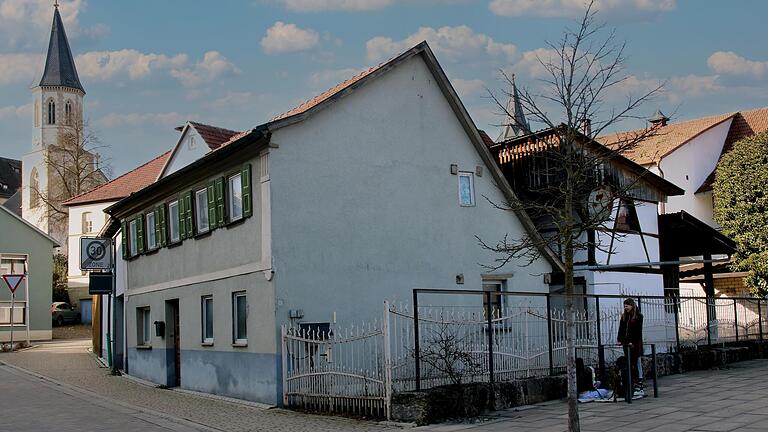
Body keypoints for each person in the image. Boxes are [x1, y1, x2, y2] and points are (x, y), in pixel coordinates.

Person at [617, 298, 644, 397]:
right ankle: (631, 382)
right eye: (624, 306)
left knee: (636, 362)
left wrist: (633, 341)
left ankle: (638, 383)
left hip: (635, 344)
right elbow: (621, 328)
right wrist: (620, 339)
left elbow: (638, 331)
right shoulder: (624, 317)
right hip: (626, 343)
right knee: (629, 363)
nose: (625, 308)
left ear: (632, 305)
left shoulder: (638, 317)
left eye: (627, 306)